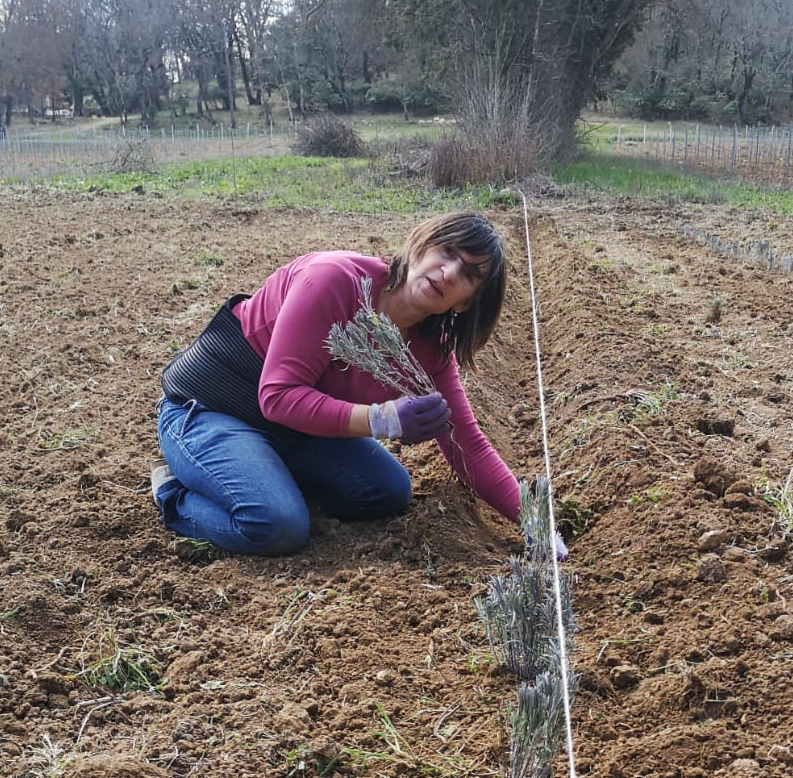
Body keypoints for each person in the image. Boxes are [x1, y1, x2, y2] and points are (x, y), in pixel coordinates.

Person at [151, 210, 542, 557]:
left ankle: (263, 475)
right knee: (278, 525)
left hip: (292, 431)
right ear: (421, 244)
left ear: (466, 303)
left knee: (388, 490)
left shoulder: (431, 351)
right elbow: (278, 396)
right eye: (448, 252)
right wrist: (382, 419)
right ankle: (173, 493)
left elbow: (467, 444)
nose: (450, 272)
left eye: (469, 275)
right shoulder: (334, 281)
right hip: (212, 409)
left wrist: (535, 525)